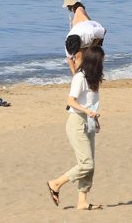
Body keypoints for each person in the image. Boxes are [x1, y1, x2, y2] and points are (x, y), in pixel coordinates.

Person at [47, 45, 105, 211]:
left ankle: (82, 201)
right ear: (95, 62)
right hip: (77, 122)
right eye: (102, 60)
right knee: (87, 164)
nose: (104, 62)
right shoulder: (80, 77)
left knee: (89, 165)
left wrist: (94, 118)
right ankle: (55, 183)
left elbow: (92, 103)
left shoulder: (94, 79)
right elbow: (71, 100)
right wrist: (87, 111)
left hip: (89, 121)